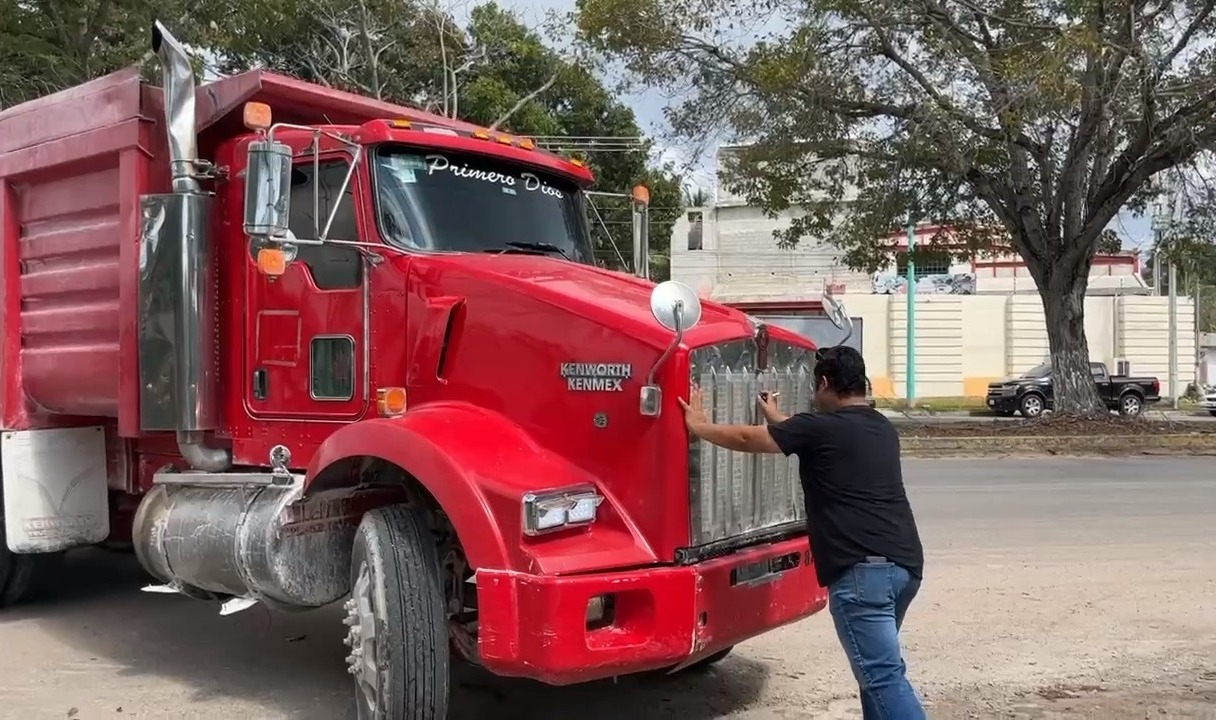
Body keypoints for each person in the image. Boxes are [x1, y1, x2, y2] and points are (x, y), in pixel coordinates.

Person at [679, 345, 925, 720]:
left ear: (825, 383)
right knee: (875, 672)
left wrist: (698, 426)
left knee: (882, 676)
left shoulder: (818, 428)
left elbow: (749, 440)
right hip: (905, 568)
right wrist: (778, 417)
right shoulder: (881, 428)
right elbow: (809, 435)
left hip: (862, 574)